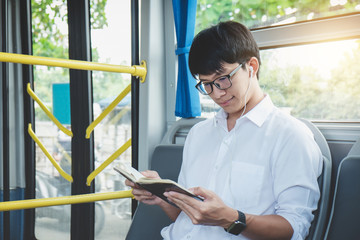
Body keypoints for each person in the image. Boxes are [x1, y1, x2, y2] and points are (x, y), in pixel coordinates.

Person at [126, 21, 323, 240]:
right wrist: (162, 196)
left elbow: (294, 228)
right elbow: (189, 220)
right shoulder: (198, 134)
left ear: (252, 67)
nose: (217, 93)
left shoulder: (290, 136)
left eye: (223, 79)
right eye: (206, 84)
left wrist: (230, 218)